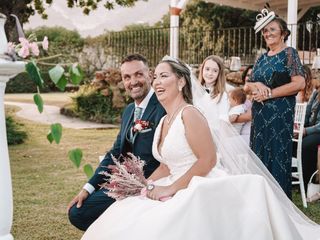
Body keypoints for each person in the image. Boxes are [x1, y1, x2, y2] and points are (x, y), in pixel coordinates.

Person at [82, 56, 320, 240]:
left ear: (182, 81)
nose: (157, 82)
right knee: (128, 212)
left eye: (164, 76)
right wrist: (145, 186)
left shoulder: (190, 114)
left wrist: (171, 189)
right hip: (172, 179)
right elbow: (166, 164)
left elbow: (207, 160)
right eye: (155, 77)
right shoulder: (165, 120)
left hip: (198, 181)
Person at [67, 54, 166, 231]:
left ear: (150, 75)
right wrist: (87, 188)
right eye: (127, 77)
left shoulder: (163, 106)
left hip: (150, 183)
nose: (133, 82)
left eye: (138, 74)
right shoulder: (129, 111)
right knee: (77, 213)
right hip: (124, 182)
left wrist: (145, 186)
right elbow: (115, 153)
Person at [244, 17, 305, 198]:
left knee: (277, 156)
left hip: (279, 117)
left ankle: (279, 205)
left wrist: (269, 93)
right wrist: (258, 86)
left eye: (272, 29)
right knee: (259, 157)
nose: (267, 33)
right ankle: (259, 201)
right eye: (264, 31)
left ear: (284, 33)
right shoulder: (261, 58)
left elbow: (299, 83)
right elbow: (247, 85)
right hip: (260, 117)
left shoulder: (289, 54)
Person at [198, 55, 229, 120]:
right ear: (202, 69)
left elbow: (223, 119)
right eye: (207, 69)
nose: (210, 73)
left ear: (219, 74)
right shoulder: (196, 90)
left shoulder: (222, 95)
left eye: (215, 71)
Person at [301, 88, 320, 193]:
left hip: (317, 130)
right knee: (293, 143)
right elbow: (308, 111)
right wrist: (300, 127)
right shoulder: (316, 92)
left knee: (306, 144)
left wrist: (306, 130)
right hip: (309, 128)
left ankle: (307, 183)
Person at [237, 65, 253, 143]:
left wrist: (227, 119)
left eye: (253, 76)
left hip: (247, 134)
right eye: (248, 75)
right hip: (234, 131)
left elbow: (249, 116)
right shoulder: (236, 93)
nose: (249, 78)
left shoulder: (258, 96)